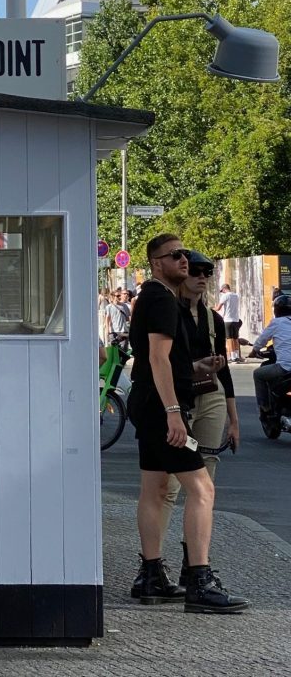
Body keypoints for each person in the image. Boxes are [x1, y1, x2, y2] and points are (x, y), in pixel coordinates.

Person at [126, 233, 247, 613]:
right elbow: (158, 360)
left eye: (185, 254)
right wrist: (174, 412)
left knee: (155, 487)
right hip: (162, 410)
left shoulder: (151, 297)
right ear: (156, 263)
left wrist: (193, 367)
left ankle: (151, 575)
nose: (184, 260)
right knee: (202, 488)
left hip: (146, 404)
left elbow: (154, 361)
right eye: (175, 255)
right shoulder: (162, 298)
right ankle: (199, 580)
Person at [160, 250, 239, 576]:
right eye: (195, 271)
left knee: (205, 480)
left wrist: (234, 420)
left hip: (211, 398)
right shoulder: (168, 313)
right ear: (182, 275)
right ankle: (153, 563)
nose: (202, 277)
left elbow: (224, 371)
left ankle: (192, 562)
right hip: (179, 400)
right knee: (169, 486)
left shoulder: (213, 319)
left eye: (207, 272)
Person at [249, 293, 291, 412]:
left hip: (285, 368)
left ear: (277, 310)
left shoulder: (277, 322)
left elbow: (261, 341)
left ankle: (264, 406)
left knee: (258, 374)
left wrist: (253, 352)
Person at [215, 283, 242, 362]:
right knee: (235, 338)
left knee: (229, 339)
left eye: (222, 291)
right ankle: (237, 356)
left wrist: (211, 308)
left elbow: (218, 308)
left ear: (224, 289)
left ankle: (232, 357)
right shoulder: (236, 295)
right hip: (236, 320)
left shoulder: (225, 296)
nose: (222, 292)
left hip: (228, 320)